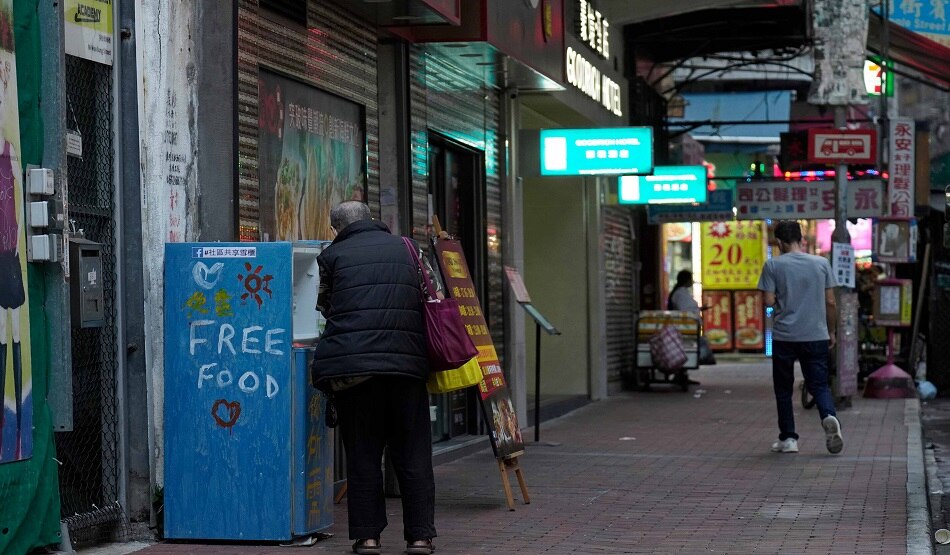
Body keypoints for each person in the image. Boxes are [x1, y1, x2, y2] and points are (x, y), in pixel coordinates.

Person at [311, 201, 436, 555]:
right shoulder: (409, 248)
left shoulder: (331, 257)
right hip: (406, 367)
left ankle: (367, 538)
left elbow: (325, 306)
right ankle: (420, 537)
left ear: (335, 229)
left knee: (363, 454)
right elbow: (430, 294)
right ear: (371, 220)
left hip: (355, 372)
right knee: (412, 454)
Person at [757, 220, 843, 455]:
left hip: (785, 335)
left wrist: (778, 302)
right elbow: (831, 302)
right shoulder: (821, 263)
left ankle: (788, 439)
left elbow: (768, 302)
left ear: (781, 242)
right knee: (819, 384)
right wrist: (831, 331)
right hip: (816, 334)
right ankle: (828, 416)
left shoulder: (772, 265)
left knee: (783, 389)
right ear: (801, 239)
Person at [667, 270, 715, 369]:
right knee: (686, 350)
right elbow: (685, 310)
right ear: (686, 280)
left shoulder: (681, 292)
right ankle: (681, 373)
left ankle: (682, 374)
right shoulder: (680, 293)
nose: (692, 282)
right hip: (685, 327)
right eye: (690, 279)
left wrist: (700, 309)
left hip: (687, 327)